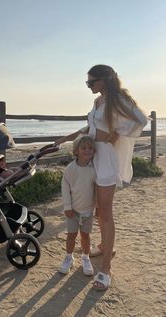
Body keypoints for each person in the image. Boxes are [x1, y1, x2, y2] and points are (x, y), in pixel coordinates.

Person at [55, 64, 148, 290]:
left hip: (105, 159)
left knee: (105, 213)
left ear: (103, 81)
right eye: (87, 83)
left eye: (91, 82)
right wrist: (70, 136)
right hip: (92, 159)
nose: (88, 86)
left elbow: (141, 119)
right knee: (97, 210)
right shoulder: (99, 101)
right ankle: (106, 247)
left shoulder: (117, 99)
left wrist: (115, 134)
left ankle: (106, 269)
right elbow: (93, 126)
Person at [59, 135, 96, 276]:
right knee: (71, 235)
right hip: (72, 211)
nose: (87, 151)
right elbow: (65, 187)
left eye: (90, 148)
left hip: (88, 211)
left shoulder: (94, 169)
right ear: (77, 150)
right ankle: (69, 257)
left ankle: (86, 257)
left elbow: (97, 189)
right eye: (84, 148)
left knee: (86, 236)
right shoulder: (70, 169)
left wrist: (97, 206)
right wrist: (67, 207)